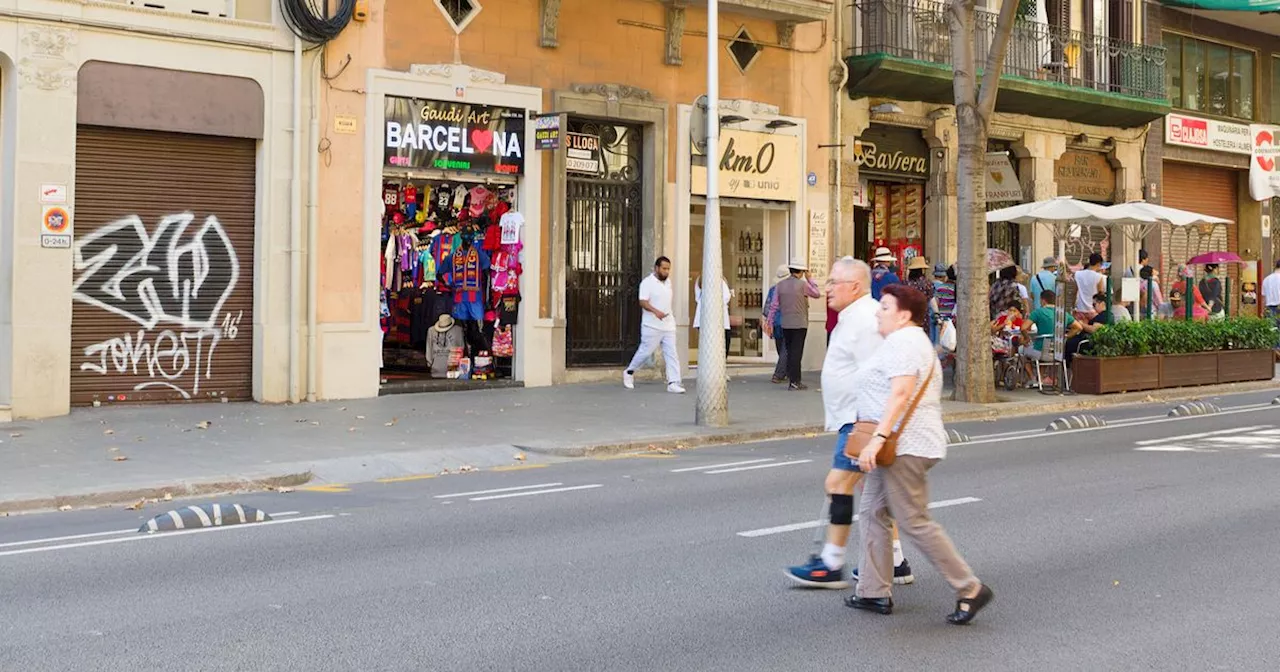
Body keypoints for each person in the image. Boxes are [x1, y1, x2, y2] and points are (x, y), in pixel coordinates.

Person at [845, 284, 993, 624]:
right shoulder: (902, 342)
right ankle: (872, 591)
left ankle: (969, 587)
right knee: (871, 512)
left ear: (904, 314)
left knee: (913, 521)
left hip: (905, 446)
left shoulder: (905, 342)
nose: (877, 312)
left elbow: (900, 393)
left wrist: (876, 440)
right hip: (898, 446)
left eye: (884, 306)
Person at [786, 258, 914, 589]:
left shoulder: (866, 320)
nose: (826, 288)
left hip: (860, 419)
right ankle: (896, 561)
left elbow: (879, 374)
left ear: (854, 286)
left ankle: (831, 562)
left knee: (838, 484)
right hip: (856, 418)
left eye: (833, 282)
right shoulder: (854, 317)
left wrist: (870, 429)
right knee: (873, 490)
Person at [623, 257, 685, 394]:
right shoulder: (647, 283)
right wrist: (656, 312)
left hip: (668, 325)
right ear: (656, 268)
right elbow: (642, 302)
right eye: (664, 268)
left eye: (668, 269)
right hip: (651, 326)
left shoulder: (668, 282)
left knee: (672, 354)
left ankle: (673, 382)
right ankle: (629, 372)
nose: (666, 271)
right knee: (645, 353)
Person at [775, 262, 820, 390]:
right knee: (797, 352)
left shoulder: (780, 285)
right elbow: (817, 293)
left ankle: (791, 378)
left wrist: (769, 321)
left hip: (785, 323)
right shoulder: (803, 285)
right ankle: (795, 381)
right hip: (800, 323)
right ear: (801, 272)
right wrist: (810, 279)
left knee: (789, 351)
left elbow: (774, 305)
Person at [1026, 290, 1081, 361]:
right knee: (1044, 357)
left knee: (1022, 350)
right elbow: (1079, 327)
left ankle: (1030, 372)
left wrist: (1026, 338)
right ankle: (1040, 372)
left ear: (1043, 301)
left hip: (1040, 351)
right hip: (1058, 353)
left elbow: (1023, 328)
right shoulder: (1063, 313)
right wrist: (1065, 336)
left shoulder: (1038, 312)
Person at [693, 274, 732, 357]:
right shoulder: (718, 280)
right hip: (719, 321)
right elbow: (726, 297)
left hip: (703, 320)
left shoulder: (700, 280)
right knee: (722, 348)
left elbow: (697, 298)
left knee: (708, 348)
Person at [763, 265, 790, 384]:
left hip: (775, 322)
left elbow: (768, 307)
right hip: (787, 320)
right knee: (786, 349)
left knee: (780, 347)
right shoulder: (790, 289)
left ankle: (785, 371)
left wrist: (768, 322)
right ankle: (779, 374)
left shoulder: (773, 289)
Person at [1073, 253, 1106, 322]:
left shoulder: (1077, 274)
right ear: (1098, 264)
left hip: (1080, 309)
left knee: (1080, 330)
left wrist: (1074, 306)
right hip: (1092, 310)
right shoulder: (1099, 277)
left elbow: (1075, 291)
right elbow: (1100, 294)